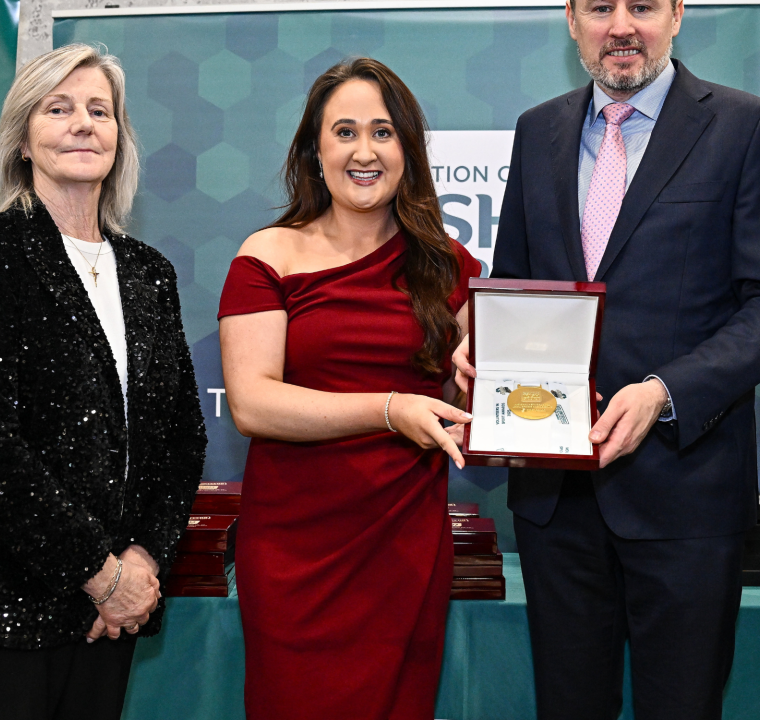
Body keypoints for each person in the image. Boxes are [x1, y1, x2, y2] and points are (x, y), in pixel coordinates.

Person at [453, 0, 760, 716]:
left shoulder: (746, 126)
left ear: (677, 14)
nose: (621, 26)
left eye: (642, 6)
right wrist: (484, 342)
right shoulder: (538, 130)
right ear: (570, 19)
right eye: (600, 7)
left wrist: (663, 392)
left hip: (686, 494)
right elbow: (518, 285)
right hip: (555, 500)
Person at [0, 44, 207, 720]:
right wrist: (98, 572)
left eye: (99, 111)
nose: (83, 123)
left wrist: (141, 561)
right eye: (58, 109)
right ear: (24, 140)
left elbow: (183, 437)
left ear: (119, 138)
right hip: (3, 606)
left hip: (110, 617)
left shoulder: (149, 272)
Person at [218, 57, 480, 720]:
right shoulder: (266, 256)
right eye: (344, 132)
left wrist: (490, 379)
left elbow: (476, 400)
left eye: (383, 132)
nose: (365, 151)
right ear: (315, 151)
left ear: (408, 149)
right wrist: (390, 410)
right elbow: (251, 403)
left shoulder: (451, 267)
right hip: (293, 555)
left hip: (403, 549)